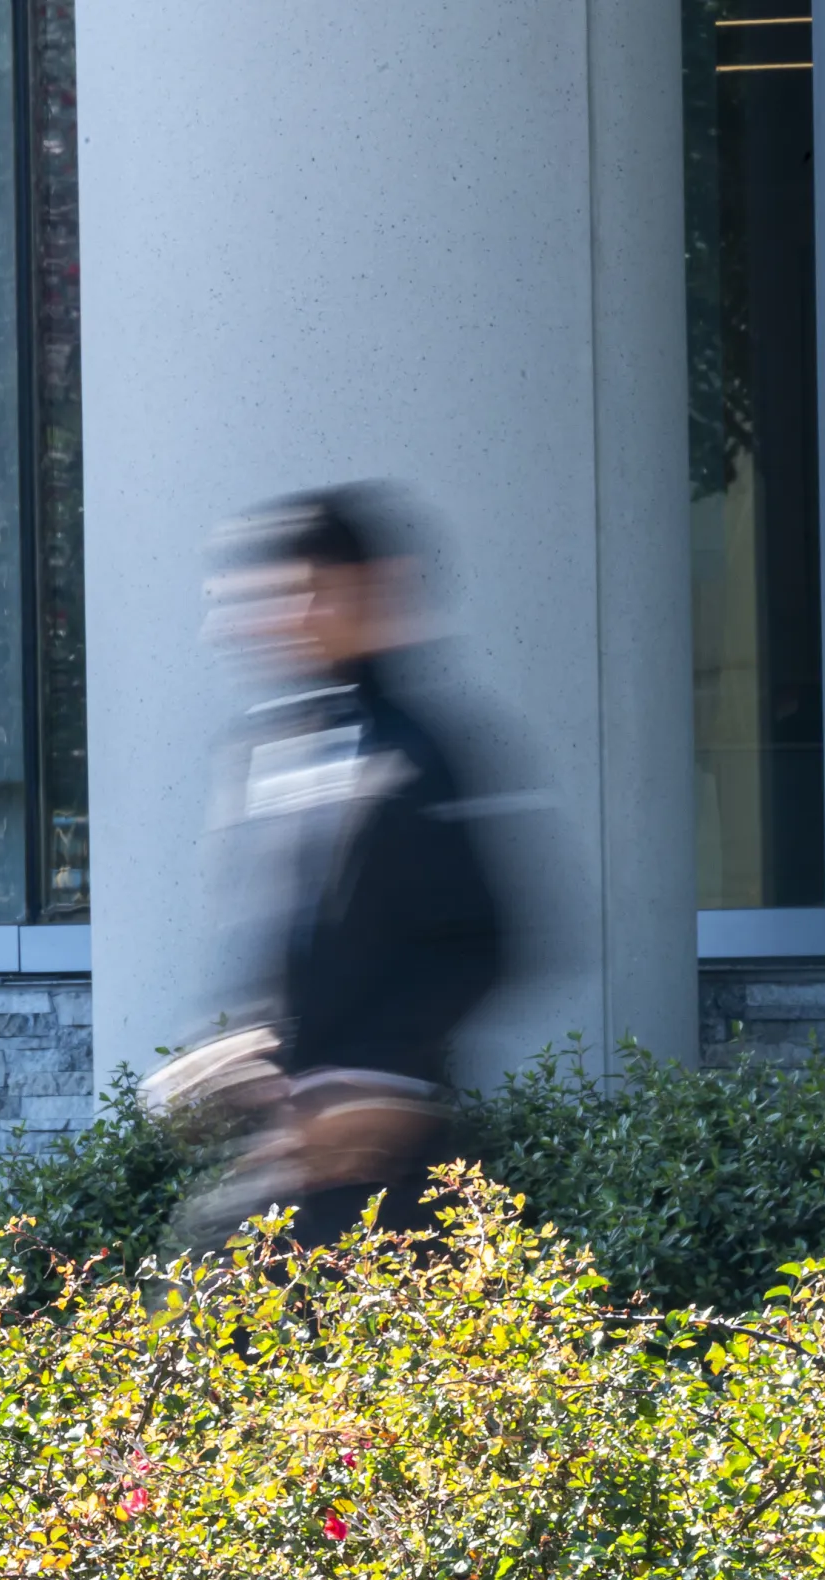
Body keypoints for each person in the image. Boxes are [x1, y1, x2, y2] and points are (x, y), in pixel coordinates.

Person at [165, 486, 498, 1250]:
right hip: (284, 1161)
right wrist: (236, 1047)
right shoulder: (257, 750)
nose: (285, 616)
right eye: (272, 597)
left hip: (393, 1167)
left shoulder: (419, 753)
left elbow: (482, 942)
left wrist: (375, 1078)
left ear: (366, 591)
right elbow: (284, 955)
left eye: (306, 591)